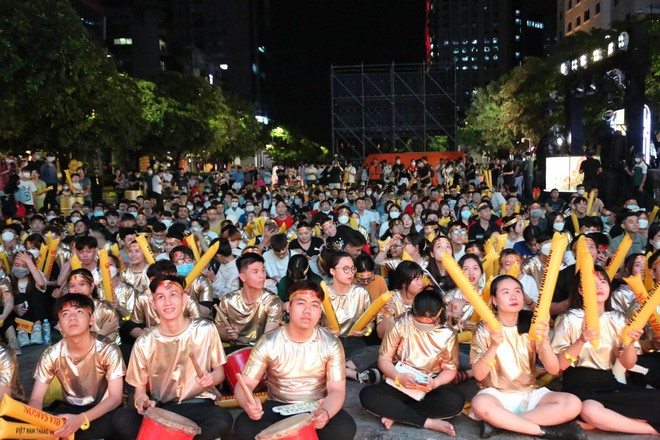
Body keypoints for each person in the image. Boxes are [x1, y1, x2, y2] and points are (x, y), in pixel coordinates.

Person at [233, 280, 357, 440]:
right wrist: (248, 405)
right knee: (244, 426)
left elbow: (336, 391)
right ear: (288, 307)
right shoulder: (269, 341)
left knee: (344, 429)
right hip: (278, 406)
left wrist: (325, 414)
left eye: (314, 305)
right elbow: (244, 385)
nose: (307, 311)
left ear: (320, 312)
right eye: (301, 303)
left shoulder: (331, 343)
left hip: (315, 407)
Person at [114, 275, 233, 440]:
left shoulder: (206, 329)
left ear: (184, 298)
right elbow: (139, 391)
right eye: (160, 297)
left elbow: (219, 373)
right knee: (122, 419)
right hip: (162, 408)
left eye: (173, 295)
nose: (167, 302)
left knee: (223, 420)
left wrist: (210, 378)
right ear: (153, 303)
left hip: (199, 404)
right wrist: (142, 401)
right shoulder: (144, 342)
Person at [470, 275, 585, 439]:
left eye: (518, 291)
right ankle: (545, 431)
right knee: (479, 404)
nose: (513, 296)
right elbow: (479, 374)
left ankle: (502, 424)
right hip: (495, 395)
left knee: (573, 403)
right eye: (506, 292)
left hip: (529, 393)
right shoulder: (484, 328)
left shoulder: (532, 324)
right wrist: (494, 345)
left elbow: (553, 369)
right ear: (494, 300)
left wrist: (543, 340)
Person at [551, 266, 660, 435]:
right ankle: (650, 429)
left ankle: (599, 422)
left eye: (603, 282)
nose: (599, 286)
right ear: (581, 289)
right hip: (579, 386)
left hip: (610, 384)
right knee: (590, 410)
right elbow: (559, 366)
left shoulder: (618, 318)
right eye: (592, 283)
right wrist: (581, 340)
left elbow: (629, 364)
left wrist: (630, 343)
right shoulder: (569, 318)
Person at [360, 289, 465, 435]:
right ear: (413, 311)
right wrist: (398, 376)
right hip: (400, 381)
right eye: (420, 320)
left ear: (440, 313)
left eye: (430, 321)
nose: (424, 324)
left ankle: (398, 414)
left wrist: (435, 383)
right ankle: (427, 422)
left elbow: (450, 369)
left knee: (455, 400)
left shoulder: (448, 334)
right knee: (368, 395)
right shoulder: (400, 323)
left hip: (428, 384)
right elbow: (384, 359)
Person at [29, 294, 125, 440]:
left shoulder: (108, 349)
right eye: (65, 314)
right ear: (59, 325)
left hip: (103, 409)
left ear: (91, 318)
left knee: (121, 421)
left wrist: (81, 420)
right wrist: (35, 423)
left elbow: (115, 398)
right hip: (71, 408)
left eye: (79, 312)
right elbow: (36, 399)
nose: (72, 318)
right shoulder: (51, 354)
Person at [214, 253, 283, 352]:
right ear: (242, 277)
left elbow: (269, 338)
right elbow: (218, 330)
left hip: (261, 351)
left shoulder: (272, 301)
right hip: (236, 350)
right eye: (255, 272)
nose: (262, 275)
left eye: (263, 270)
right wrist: (228, 334)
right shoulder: (228, 300)